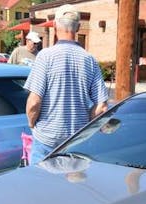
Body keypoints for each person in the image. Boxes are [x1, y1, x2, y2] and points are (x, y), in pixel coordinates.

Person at [24, 4, 108, 164]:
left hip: (46, 141)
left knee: (41, 188)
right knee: (73, 188)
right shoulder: (89, 60)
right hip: (78, 142)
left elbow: (34, 102)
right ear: (78, 27)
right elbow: (101, 107)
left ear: (55, 25)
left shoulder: (45, 56)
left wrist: (31, 124)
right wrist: (84, 128)